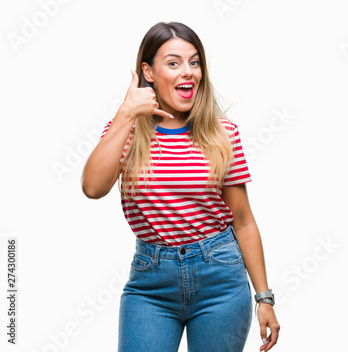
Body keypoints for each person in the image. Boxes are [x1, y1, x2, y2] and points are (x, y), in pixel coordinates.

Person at [81, 21, 280, 352]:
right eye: (173, 63)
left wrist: (264, 298)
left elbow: (242, 219)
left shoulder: (222, 133)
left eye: (195, 61)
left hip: (221, 281)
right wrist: (126, 113)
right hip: (151, 285)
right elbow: (92, 187)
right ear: (148, 71)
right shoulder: (125, 133)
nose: (188, 72)